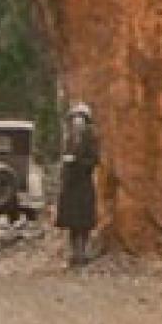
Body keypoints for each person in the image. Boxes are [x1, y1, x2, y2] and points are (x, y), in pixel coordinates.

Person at [57, 102, 99, 266]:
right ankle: (75, 255)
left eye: (80, 118)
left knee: (84, 222)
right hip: (70, 185)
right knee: (71, 222)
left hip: (83, 182)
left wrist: (76, 161)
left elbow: (94, 160)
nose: (76, 121)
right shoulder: (69, 139)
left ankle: (83, 254)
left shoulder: (91, 139)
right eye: (74, 118)